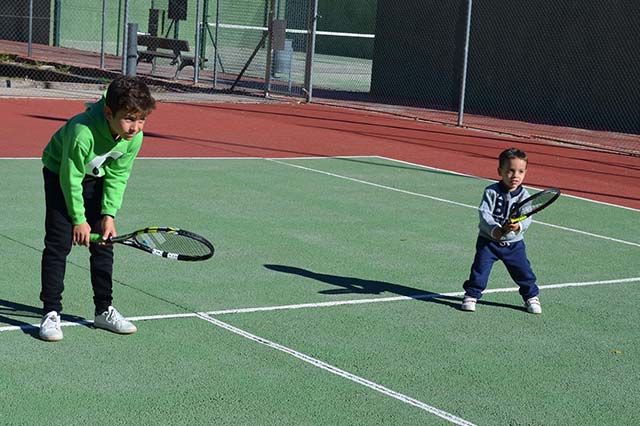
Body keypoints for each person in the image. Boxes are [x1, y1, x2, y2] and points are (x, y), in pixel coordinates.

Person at [39, 76, 156, 341]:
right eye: (128, 118)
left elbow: (118, 176)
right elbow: (70, 179)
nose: (135, 127)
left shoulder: (133, 138)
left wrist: (108, 215)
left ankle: (104, 310)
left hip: (97, 176)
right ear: (108, 112)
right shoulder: (82, 133)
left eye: (141, 120)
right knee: (58, 244)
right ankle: (50, 312)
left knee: (104, 243)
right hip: (60, 173)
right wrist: (78, 220)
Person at [461, 147, 542, 314]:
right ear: (500, 171)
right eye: (510, 171)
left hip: (514, 245)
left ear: (526, 172)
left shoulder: (525, 196)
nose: (515, 176)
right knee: (479, 270)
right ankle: (471, 295)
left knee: (523, 272)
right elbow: (485, 214)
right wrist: (495, 230)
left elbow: (527, 217)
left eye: (520, 171)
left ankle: (531, 297)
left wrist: (518, 226)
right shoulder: (491, 191)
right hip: (488, 242)